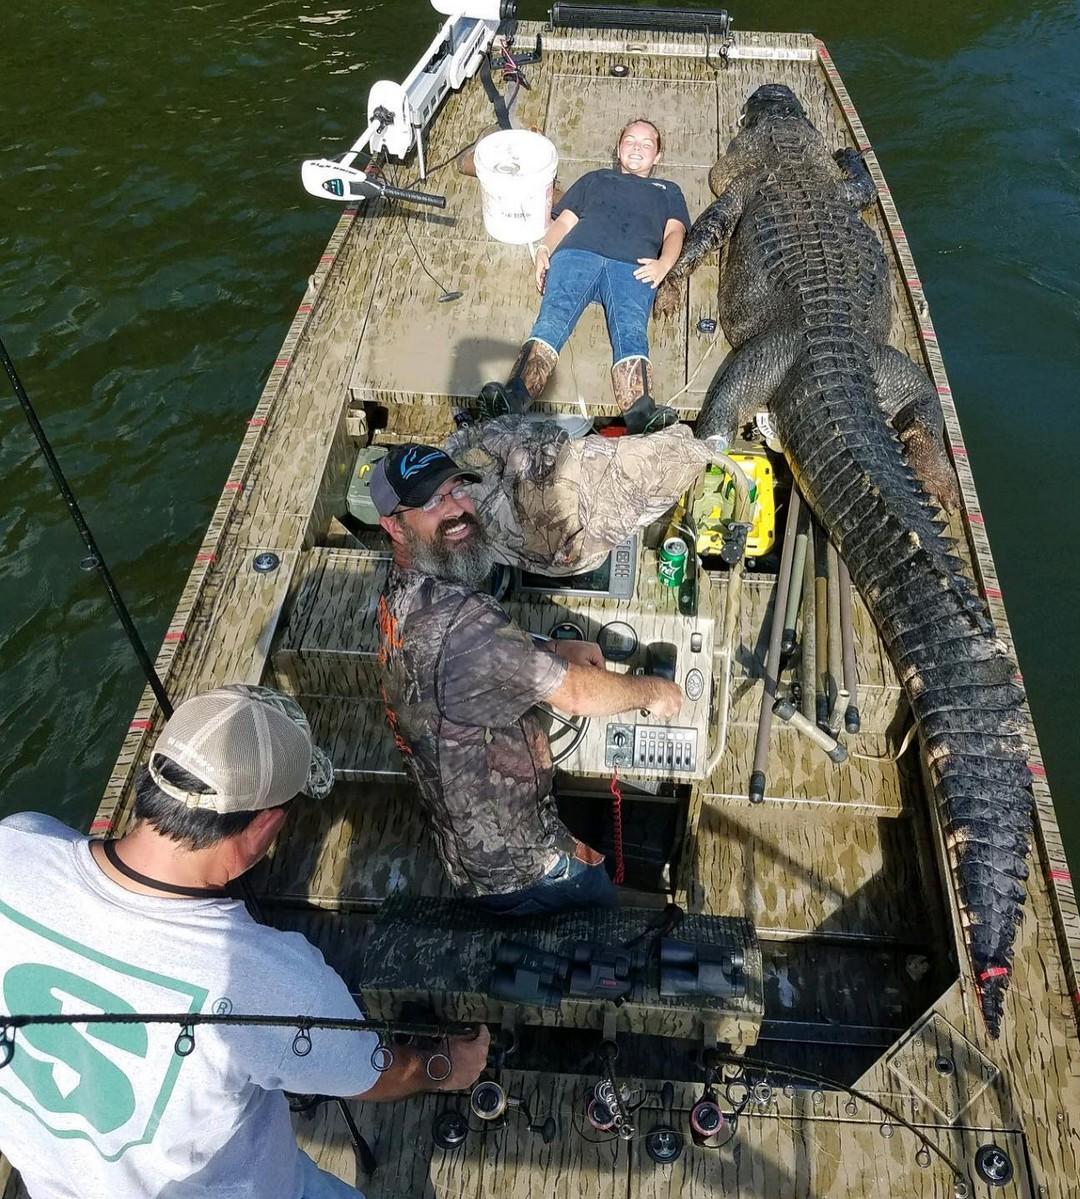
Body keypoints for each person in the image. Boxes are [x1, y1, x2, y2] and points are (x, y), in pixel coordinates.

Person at [0, 684, 488, 1199]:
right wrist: (445, 1065)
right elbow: (370, 1074)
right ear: (264, 827)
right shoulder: (271, 976)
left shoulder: (16, 842)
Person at [371, 443, 683, 915]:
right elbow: (575, 693)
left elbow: (476, 653)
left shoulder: (405, 594)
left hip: (463, 840)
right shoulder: (461, 619)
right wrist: (652, 692)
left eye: (458, 490)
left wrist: (552, 649)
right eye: (433, 502)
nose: (457, 509)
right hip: (514, 867)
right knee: (598, 893)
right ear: (394, 526)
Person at [480, 118, 690, 433]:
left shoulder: (668, 190)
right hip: (578, 255)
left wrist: (664, 264)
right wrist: (544, 249)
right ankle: (513, 398)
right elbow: (565, 221)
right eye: (630, 140)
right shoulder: (595, 179)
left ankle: (640, 412)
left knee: (632, 331)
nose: (637, 147)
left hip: (633, 265)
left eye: (647, 143)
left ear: (657, 156)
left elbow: (675, 232)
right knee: (552, 320)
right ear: (619, 149)